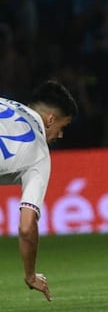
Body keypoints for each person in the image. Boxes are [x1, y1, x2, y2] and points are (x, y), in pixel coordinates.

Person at [0, 80, 78, 300]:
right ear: (50, 119)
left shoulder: (5, 103)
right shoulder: (39, 153)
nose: (60, 135)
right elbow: (26, 227)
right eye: (63, 127)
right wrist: (30, 274)